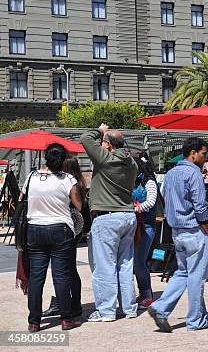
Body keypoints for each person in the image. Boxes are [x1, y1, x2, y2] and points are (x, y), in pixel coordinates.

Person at [148, 138, 208, 332]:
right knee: (196, 277)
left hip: (177, 231)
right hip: (194, 230)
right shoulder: (193, 174)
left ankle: (161, 307)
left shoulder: (171, 173)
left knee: (183, 272)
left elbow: (166, 199)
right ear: (193, 153)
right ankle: (195, 320)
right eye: (203, 154)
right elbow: (200, 205)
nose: (205, 158)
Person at [81, 124, 138, 322]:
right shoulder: (132, 163)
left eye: (103, 142)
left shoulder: (106, 160)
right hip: (128, 216)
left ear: (108, 145)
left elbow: (85, 139)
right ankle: (129, 307)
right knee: (125, 264)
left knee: (104, 266)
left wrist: (99, 129)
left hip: (107, 218)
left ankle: (106, 310)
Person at [24, 144, 83, 332]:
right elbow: (78, 205)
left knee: (36, 277)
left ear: (45, 158)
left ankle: (34, 321)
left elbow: (22, 199)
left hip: (35, 229)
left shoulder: (31, 177)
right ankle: (66, 318)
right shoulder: (68, 179)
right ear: (64, 159)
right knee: (61, 276)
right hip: (60, 229)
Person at [41, 156, 90, 320]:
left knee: (62, 270)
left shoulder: (66, 184)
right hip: (74, 229)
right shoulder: (79, 183)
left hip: (64, 229)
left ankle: (64, 305)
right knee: (69, 269)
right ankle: (72, 304)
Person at [131, 153, 159, 310]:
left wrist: (135, 208)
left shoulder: (149, 182)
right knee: (134, 263)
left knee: (139, 262)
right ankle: (142, 293)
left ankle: (147, 295)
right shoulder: (131, 181)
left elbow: (150, 202)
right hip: (133, 226)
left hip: (146, 226)